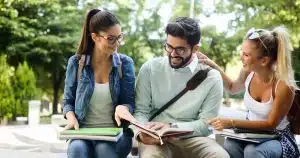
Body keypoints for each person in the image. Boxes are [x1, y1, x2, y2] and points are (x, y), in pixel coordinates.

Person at [133, 17, 229, 158]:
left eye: (180, 49)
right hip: (155, 138)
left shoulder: (212, 77)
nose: (172, 54)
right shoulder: (150, 68)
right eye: (169, 46)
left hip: (193, 137)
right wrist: (141, 134)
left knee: (220, 156)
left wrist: (171, 127)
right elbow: (140, 111)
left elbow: (206, 123)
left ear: (195, 48)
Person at [202, 27, 300, 158]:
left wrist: (230, 122)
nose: (241, 57)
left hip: (279, 137)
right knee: (229, 145)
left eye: (246, 55)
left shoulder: (283, 85)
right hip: (250, 133)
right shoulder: (248, 72)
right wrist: (212, 64)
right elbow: (232, 87)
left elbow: (271, 125)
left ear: (264, 60)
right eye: (242, 52)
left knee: (253, 151)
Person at [62, 9, 136, 158]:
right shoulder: (76, 63)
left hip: (116, 133)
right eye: (111, 38)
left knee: (103, 150)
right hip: (84, 133)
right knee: (77, 150)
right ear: (95, 37)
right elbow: (67, 102)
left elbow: (130, 103)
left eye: (119, 37)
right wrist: (71, 117)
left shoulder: (125, 63)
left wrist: (124, 108)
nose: (116, 43)